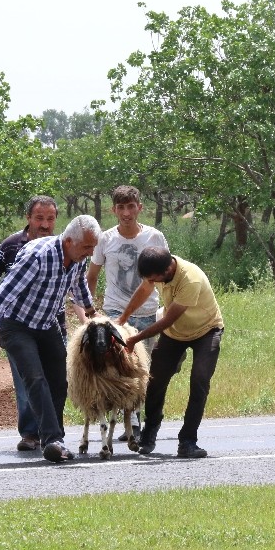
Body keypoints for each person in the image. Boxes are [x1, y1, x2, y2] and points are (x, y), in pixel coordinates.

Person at [0, 215, 101, 463]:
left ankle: (53, 439)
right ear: (69, 241)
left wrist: (92, 313)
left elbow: (78, 285)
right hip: (16, 325)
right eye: (87, 247)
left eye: (93, 247)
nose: (90, 253)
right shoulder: (38, 256)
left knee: (59, 380)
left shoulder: (78, 258)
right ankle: (53, 440)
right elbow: (5, 290)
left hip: (46, 324)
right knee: (35, 378)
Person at [0, 196, 59, 452]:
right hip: (17, 324)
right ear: (28, 218)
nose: (44, 224)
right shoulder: (11, 246)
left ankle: (53, 433)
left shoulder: (60, 246)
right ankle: (30, 433)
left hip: (51, 323)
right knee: (26, 377)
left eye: (50, 219)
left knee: (53, 378)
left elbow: (76, 285)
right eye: (39, 218)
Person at [118, 246, 224, 458]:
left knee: (200, 380)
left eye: (153, 278)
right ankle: (149, 433)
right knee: (155, 380)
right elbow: (145, 290)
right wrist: (123, 317)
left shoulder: (190, 279)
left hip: (206, 330)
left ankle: (187, 441)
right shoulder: (158, 269)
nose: (151, 281)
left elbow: (168, 319)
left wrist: (135, 339)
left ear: (167, 271)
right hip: (176, 333)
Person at [86, 185, 168, 440]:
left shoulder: (154, 237)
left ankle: (137, 417)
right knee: (116, 365)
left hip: (147, 311)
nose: (126, 212)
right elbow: (92, 275)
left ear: (139, 208)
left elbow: (165, 273)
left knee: (143, 368)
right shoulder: (106, 239)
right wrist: (92, 311)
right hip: (114, 312)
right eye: (120, 207)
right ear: (114, 210)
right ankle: (126, 419)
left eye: (131, 206)